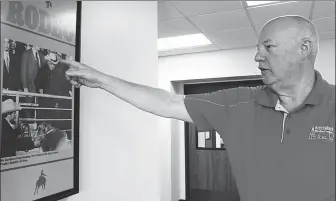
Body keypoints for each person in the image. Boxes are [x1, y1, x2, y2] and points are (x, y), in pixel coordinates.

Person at [60, 15, 335, 201]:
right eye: (257, 47)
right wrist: (103, 80)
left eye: (268, 46)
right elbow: (167, 101)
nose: (257, 56)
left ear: (304, 48)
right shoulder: (239, 103)